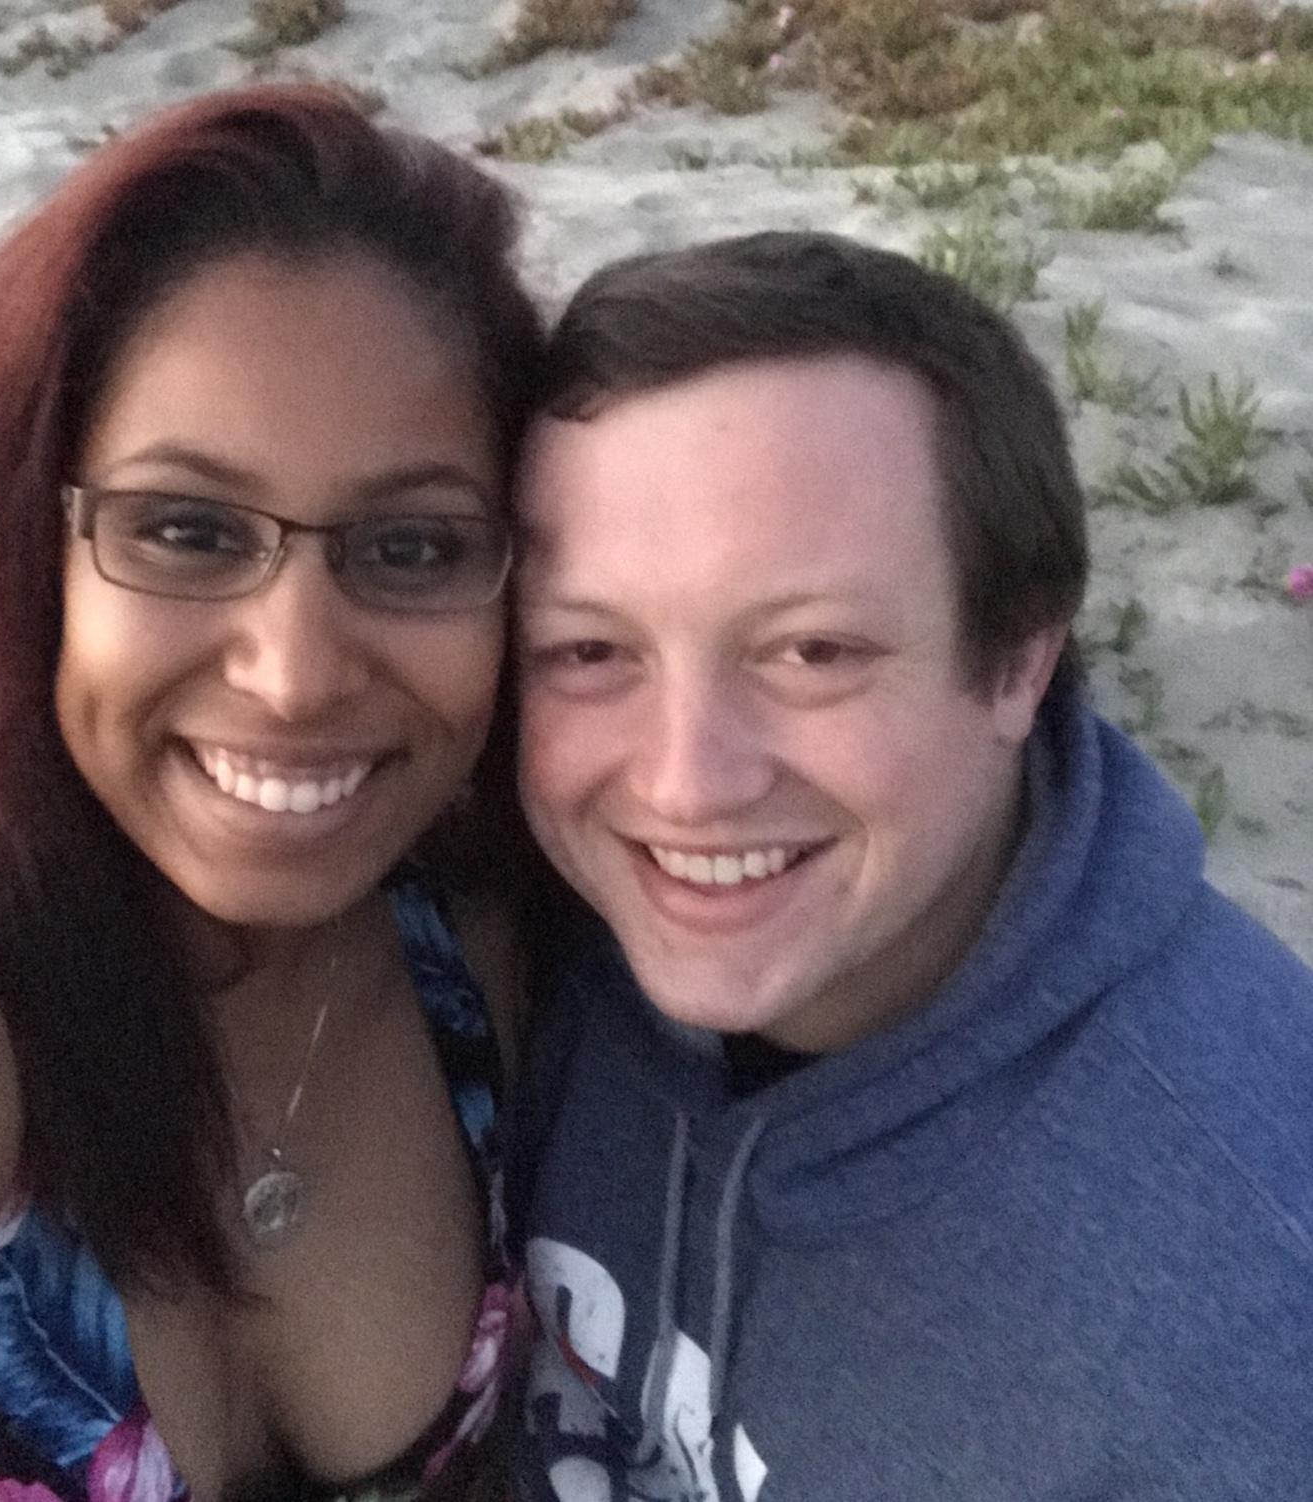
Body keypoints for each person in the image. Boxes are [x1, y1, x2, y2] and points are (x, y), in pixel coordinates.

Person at [0, 84, 545, 1502]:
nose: (295, 675)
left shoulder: (488, 952)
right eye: (186, 529)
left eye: (410, 547)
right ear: (31, 555)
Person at [511, 231, 1313, 1500]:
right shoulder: (505, 948)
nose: (683, 782)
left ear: (1017, 662)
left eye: (813, 652)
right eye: (587, 650)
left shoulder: (1247, 1333)